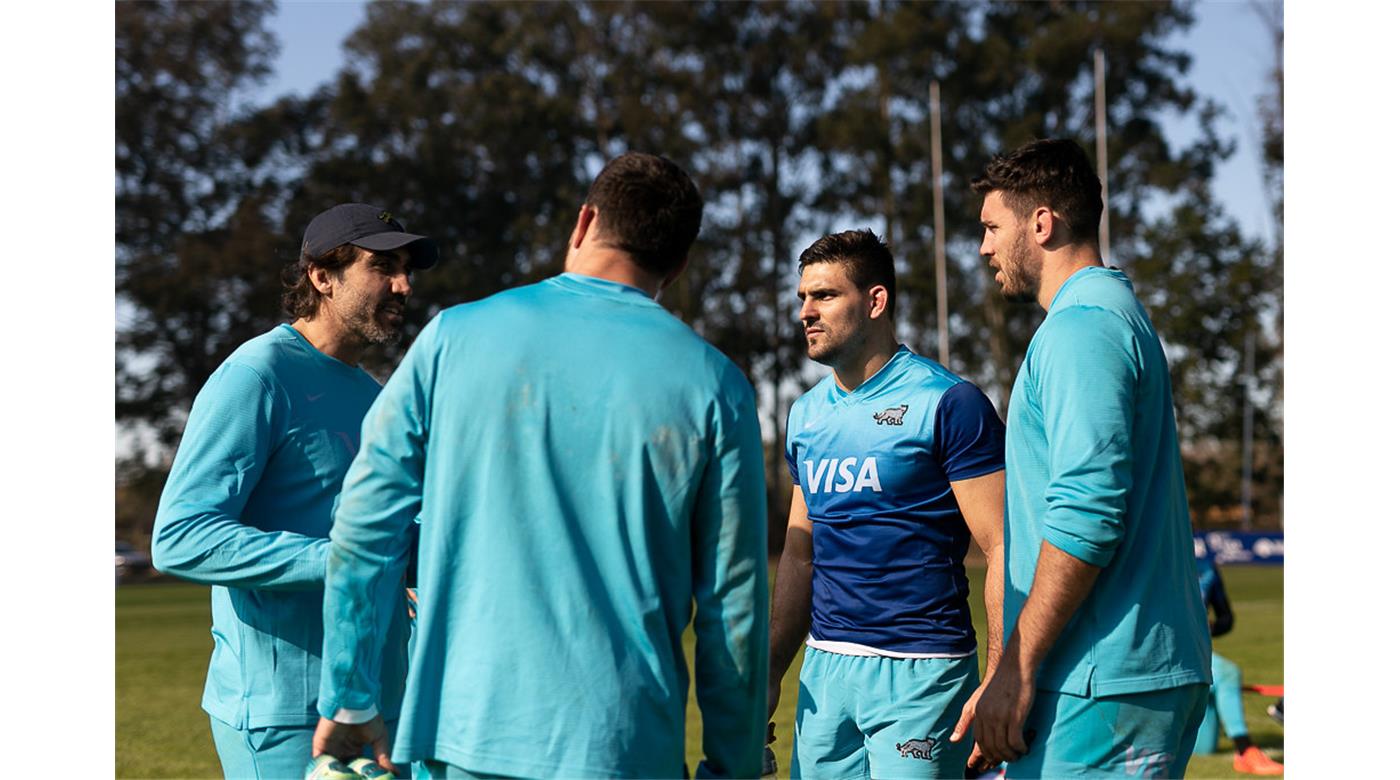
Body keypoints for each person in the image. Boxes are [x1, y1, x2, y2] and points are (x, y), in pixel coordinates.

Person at [311, 152, 770, 778]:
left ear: (583, 224)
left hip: (462, 732)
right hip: (625, 743)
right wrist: (733, 766)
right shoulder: (717, 384)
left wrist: (350, 692)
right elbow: (733, 607)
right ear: (680, 263)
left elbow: (364, 524)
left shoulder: (452, 337)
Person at [151, 203, 439, 778]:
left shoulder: (377, 395)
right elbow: (180, 537)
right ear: (322, 276)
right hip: (284, 714)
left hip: (381, 700)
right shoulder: (256, 376)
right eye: (383, 266)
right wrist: (339, 560)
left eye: (406, 268)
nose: (403, 285)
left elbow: (383, 535)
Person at [968, 138, 1213, 778]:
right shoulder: (1105, 317)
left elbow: (1087, 513)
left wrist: (1015, 669)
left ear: (1042, 223)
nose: (984, 247)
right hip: (1107, 674)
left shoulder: (1083, 330)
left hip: (1103, 677)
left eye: (993, 227)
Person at [766, 229, 1008, 779]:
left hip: (923, 674)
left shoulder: (949, 402)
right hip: (825, 670)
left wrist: (999, 676)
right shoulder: (804, 416)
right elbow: (800, 555)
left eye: (824, 295)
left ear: (876, 301)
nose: (806, 311)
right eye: (803, 297)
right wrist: (771, 673)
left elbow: (1002, 547)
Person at [1192, 554, 1285, 775]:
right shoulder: (1154, 561)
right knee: (1227, 673)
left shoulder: (1207, 569)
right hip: (1161, 654)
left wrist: (1207, 628)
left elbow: (1226, 619)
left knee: (1203, 749)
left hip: (1196, 656)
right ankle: (1245, 750)